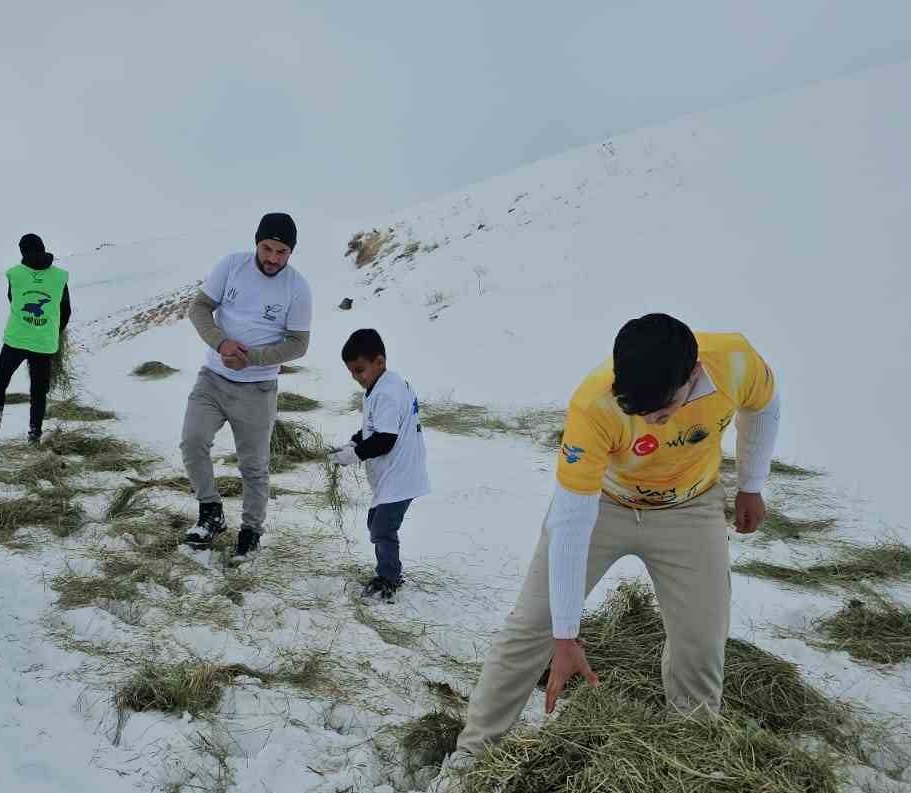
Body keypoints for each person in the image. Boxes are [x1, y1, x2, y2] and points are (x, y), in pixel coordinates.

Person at [451, 313, 781, 761]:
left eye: (662, 414)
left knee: (702, 641)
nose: (653, 425)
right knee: (532, 624)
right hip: (604, 503)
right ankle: (473, 753)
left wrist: (751, 484)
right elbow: (570, 523)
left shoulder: (735, 362)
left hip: (689, 507)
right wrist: (565, 637)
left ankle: (692, 759)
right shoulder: (594, 404)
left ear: (694, 376)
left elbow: (764, 405)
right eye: (640, 415)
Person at [179, 212, 313, 563]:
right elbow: (199, 309)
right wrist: (221, 343)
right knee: (193, 442)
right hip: (212, 379)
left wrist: (251, 358)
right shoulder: (232, 266)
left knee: (254, 466)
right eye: (267, 248)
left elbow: (298, 344)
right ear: (257, 242)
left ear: (291, 252)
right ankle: (211, 512)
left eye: (281, 252)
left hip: (257, 390)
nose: (272, 258)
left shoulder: (297, 288)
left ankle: (251, 532)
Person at [327, 328, 430, 601]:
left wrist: (355, 454)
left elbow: (384, 439)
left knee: (382, 527)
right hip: (396, 473)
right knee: (377, 523)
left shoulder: (387, 393)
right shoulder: (383, 386)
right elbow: (374, 427)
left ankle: (388, 578)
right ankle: (388, 572)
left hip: (401, 474)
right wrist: (353, 442)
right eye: (352, 372)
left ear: (379, 362)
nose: (357, 378)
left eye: (360, 370)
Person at [0, 234, 72, 446]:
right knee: (39, 391)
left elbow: (14, 300)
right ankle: (34, 436)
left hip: (16, 339)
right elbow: (66, 311)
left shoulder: (15, 274)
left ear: (22, 252)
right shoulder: (59, 277)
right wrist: (52, 331)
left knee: (0, 382)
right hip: (44, 343)